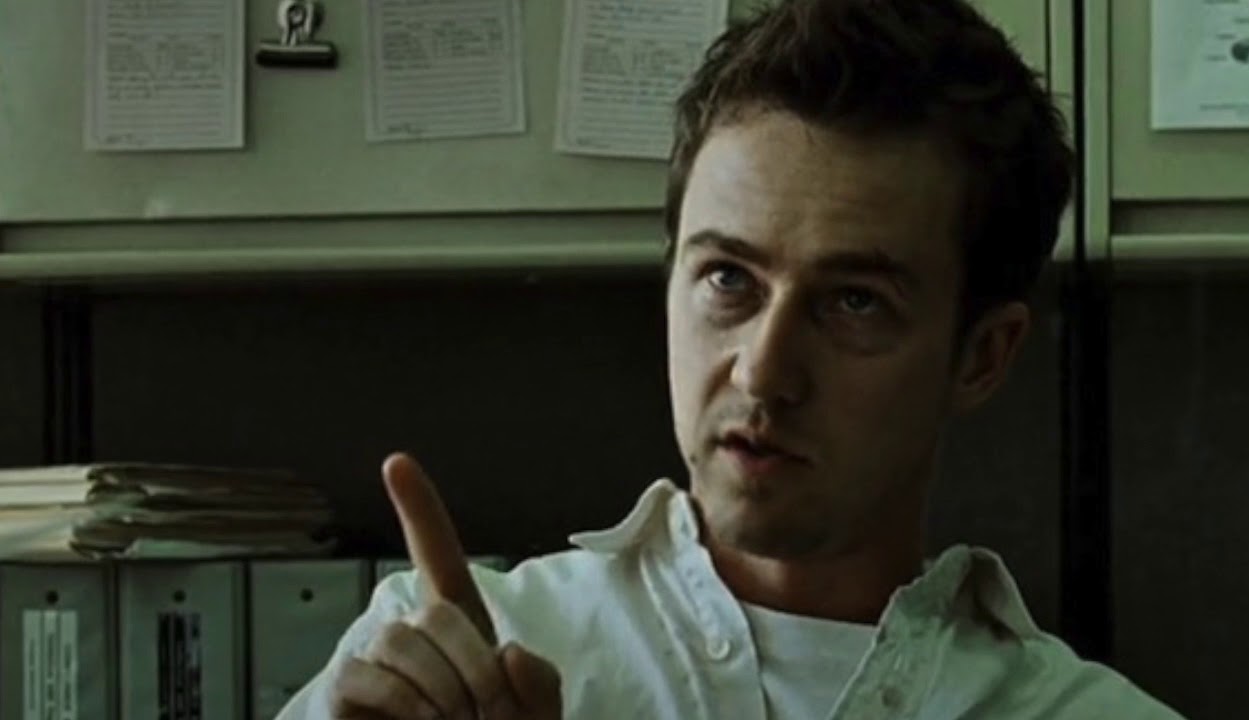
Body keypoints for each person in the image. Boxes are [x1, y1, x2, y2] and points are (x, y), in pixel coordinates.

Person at [279, 0, 1184, 717]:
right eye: (728, 279)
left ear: (982, 356)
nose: (763, 372)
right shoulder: (446, 663)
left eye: (854, 302)